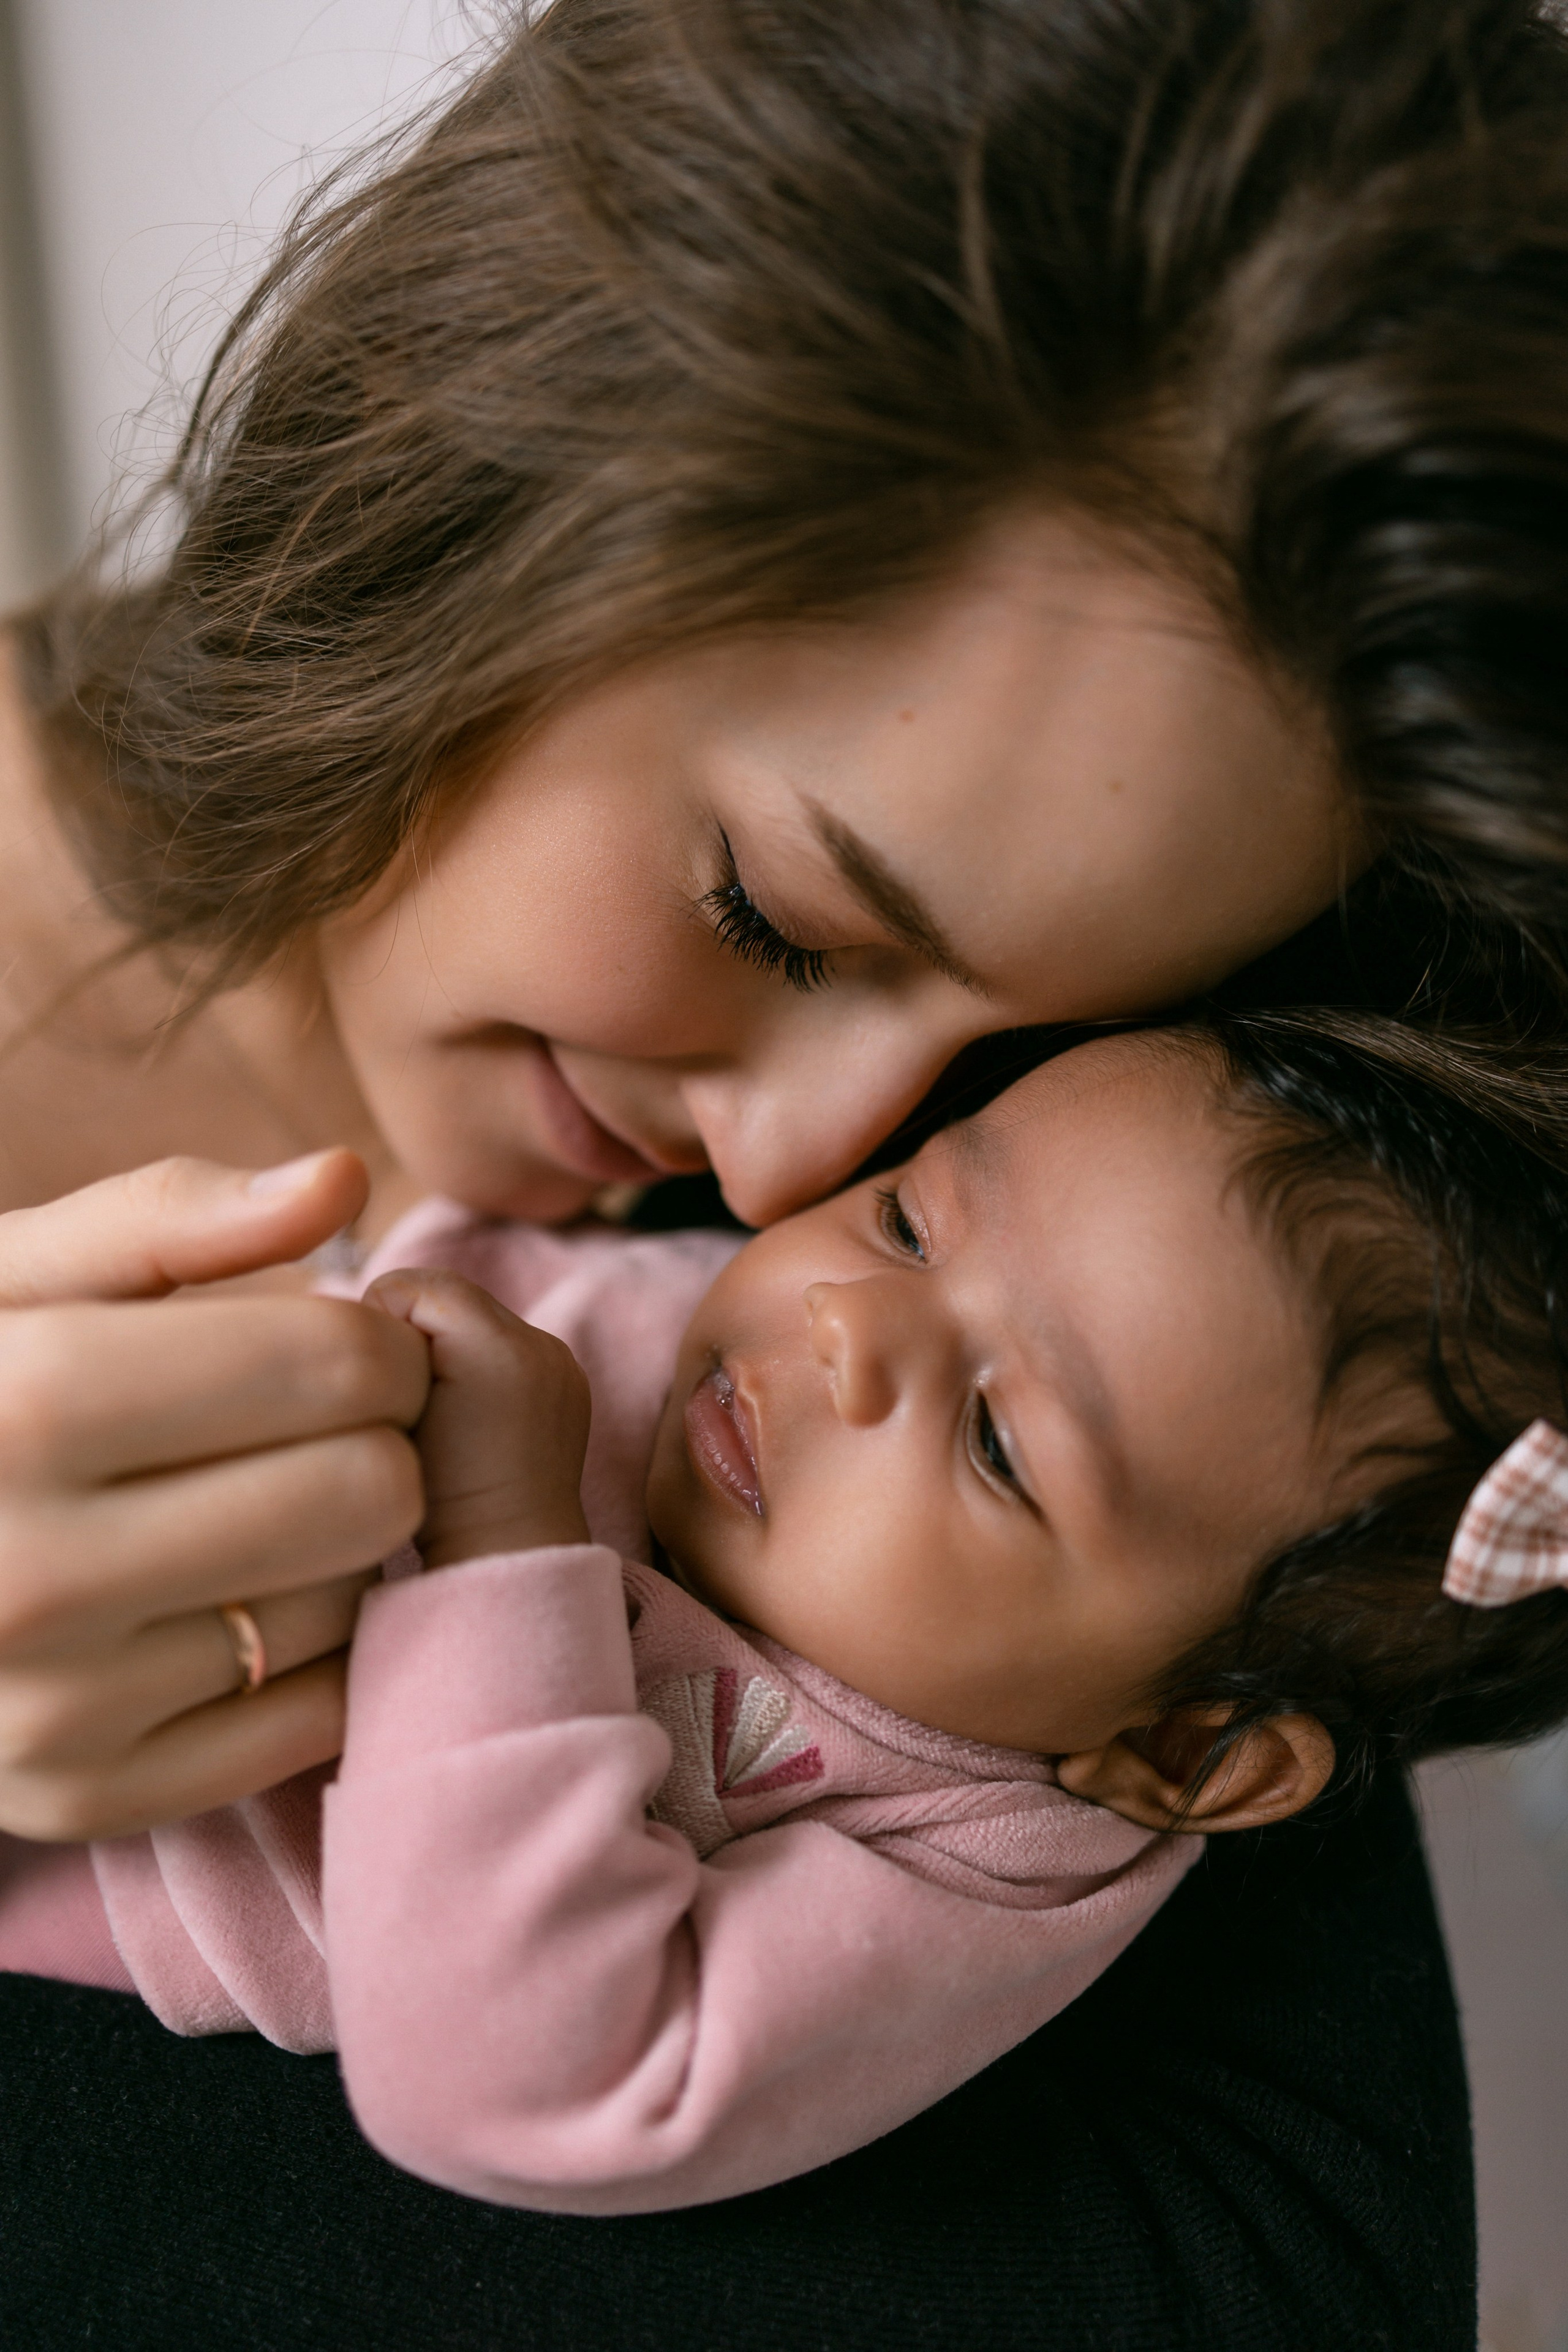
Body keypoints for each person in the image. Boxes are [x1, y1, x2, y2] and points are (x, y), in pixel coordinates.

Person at [4, 0, 1567, 2337]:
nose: (802, 1178)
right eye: (777, 915)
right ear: (506, 460)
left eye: (1023, 1041)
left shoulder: (1159, 1456)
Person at [7, 1009, 1568, 2233]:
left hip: (108, 1859)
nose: (846, 1324)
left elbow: (521, 2084)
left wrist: (503, 1546)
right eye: (906, 1219)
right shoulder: (666, 1312)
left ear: (1186, 1750)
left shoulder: (969, 1854)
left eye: (995, 1444)